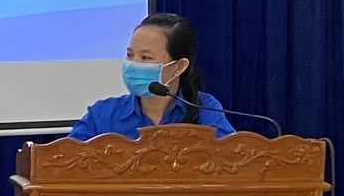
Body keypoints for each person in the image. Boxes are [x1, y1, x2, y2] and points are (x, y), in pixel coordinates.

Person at [69, 12, 235, 139]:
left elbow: (232, 161)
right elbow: (63, 163)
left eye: (146, 57)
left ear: (179, 66)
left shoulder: (205, 109)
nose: (133, 64)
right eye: (130, 55)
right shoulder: (102, 115)